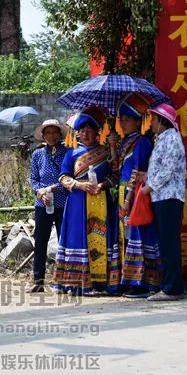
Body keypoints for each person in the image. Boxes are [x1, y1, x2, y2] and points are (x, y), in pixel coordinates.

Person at [52, 107, 120, 294]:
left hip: (101, 201)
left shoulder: (105, 153)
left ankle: (101, 282)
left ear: (97, 133)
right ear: (78, 135)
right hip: (77, 203)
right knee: (78, 238)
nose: (86, 134)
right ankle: (76, 282)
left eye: (90, 131)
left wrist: (102, 185)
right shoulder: (71, 154)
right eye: (82, 131)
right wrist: (80, 185)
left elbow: (115, 176)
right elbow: (63, 177)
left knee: (101, 238)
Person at [111, 94, 161, 297]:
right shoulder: (125, 143)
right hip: (124, 192)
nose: (123, 123)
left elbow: (137, 173)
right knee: (127, 237)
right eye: (121, 119)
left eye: (127, 119)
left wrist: (127, 201)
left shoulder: (142, 143)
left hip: (136, 194)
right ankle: (127, 279)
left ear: (139, 121)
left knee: (137, 235)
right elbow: (116, 168)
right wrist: (113, 146)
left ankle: (141, 282)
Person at [138, 102, 187, 302]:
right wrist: (146, 175)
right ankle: (170, 285)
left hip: (169, 196)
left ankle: (172, 288)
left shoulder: (172, 139)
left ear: (162, 121)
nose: (151, 124)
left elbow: (168, 170)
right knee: (166, 242)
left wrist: (150, 186)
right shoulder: (163, 139)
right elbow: (162, 168)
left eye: (154, 120)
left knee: (169, 243)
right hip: (162, 196)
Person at [28, 118, 69, 292]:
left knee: (64, 241)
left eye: (54, 132)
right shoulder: (37, 154)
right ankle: (38, 281)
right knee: (41, 241)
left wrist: (52, 188)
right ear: (43, 135)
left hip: (62, 203)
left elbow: (69, 178)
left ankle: (64, 280)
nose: (51, 135)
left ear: (59, 134)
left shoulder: (67, 153)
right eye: (48, 132)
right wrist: (40, 192)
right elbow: (33, 179)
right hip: (42, 203)